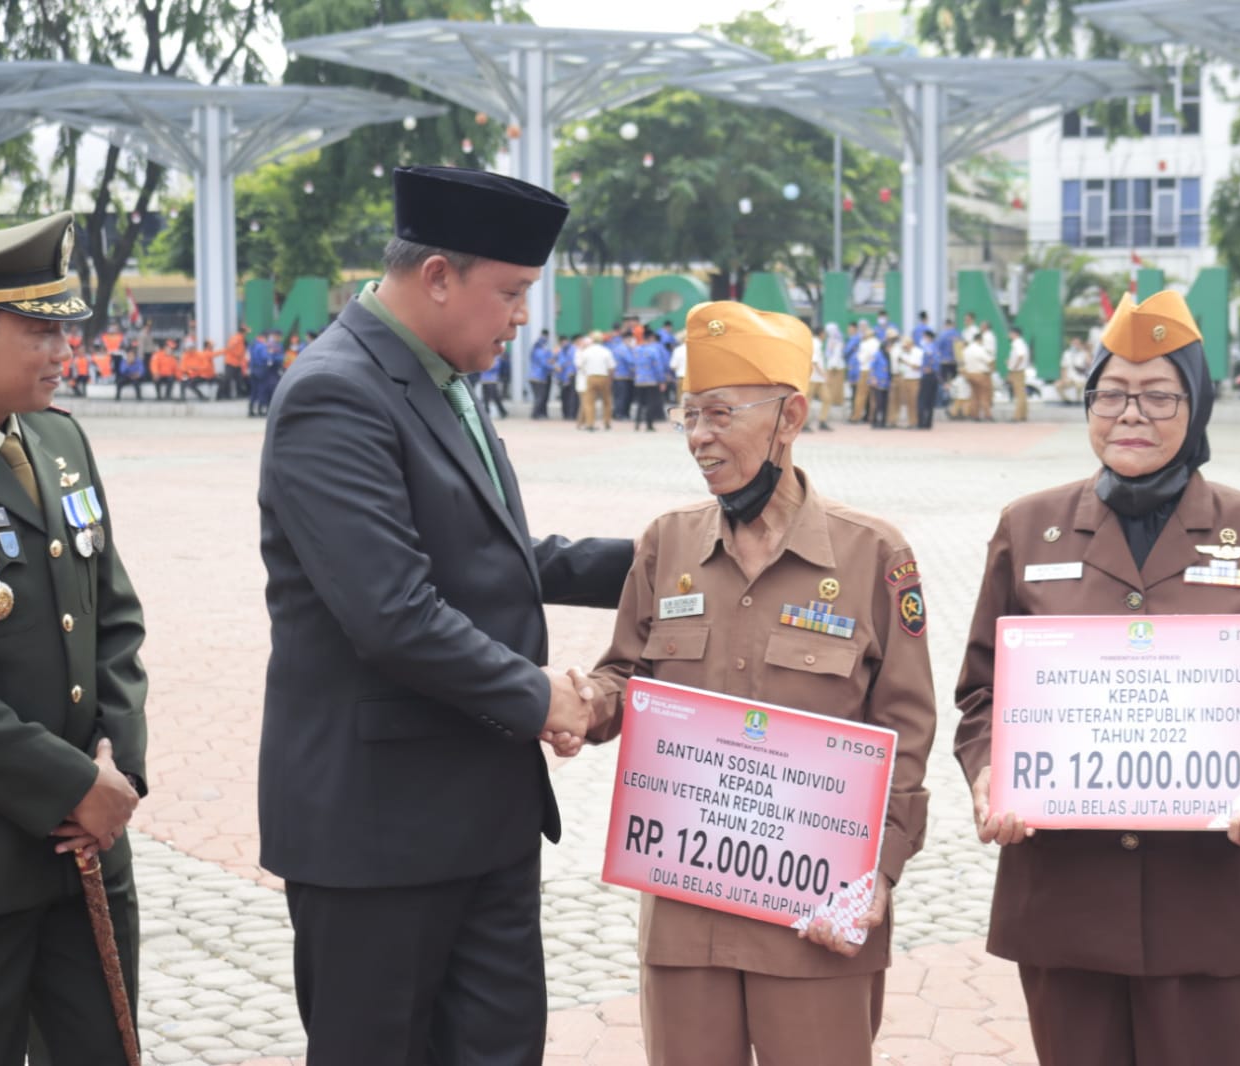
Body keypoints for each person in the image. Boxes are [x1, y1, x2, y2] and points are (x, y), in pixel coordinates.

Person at [257, 165, 633, 1065]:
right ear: (435, 276)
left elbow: (496, 555)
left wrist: (664, 558)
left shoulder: (440, 378)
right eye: (509, 294)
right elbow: (392, 611)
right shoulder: (334, 393)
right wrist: (544, 696)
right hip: (379, 835)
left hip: (484, 815)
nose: (519, 319)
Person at [956, 290, 1240, 1065]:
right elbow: (982, 691)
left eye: (1158, 395)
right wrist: (989, 771)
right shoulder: (1028, 527)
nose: (1130, 414)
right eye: (1110, 393)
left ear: (1198, 407)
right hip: (1065, 892)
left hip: (1204, 895)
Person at [583, 300, 935, 1066]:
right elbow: (626, 669)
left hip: (815, 908)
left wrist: (879, 870)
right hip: (685, 911)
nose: (700, 438)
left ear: (789, 415)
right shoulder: (666, 542)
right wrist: (585, 704)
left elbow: (905, 725)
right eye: (687, 417)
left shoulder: (872, 553)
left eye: (719, 414)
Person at [0, 211, 148, 1065]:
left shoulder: (61, 440)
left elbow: (114, 618)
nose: (64, 351)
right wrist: (70, 784)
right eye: (39, 332)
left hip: (89, 851)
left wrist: (118, 768)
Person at [960, 327, 995, 422]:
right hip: (980, 374)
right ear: (980, 340)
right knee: (984, 395)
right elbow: (989, 360)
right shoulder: (980, 349)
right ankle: (988, 415)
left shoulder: (967, 350)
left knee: (974, 395)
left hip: (970, 374)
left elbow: (963, 362)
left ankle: (975, 415)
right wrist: (992, 369)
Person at [816, 322, 845, 431]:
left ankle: (822, 421)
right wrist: (824, 373)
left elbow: (835, 355)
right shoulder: (817, 343)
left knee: (827, 399)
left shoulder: (836, 341)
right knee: (808, 399)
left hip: (824, 374)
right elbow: (815, 361)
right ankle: (804, 423)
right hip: (816, 377)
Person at [1056, 334, 1091, 404]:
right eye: (1074, 343)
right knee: (1057, 385)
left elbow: (1089, 363)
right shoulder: (1066, 354)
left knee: (1079, 385)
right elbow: (1063, 367)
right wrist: (1063, 379)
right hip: (1069, 378)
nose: (1075, 345)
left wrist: (1084, 351)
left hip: (1080, 378)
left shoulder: (1083, 353)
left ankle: (1078, 400)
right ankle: (1067, 400)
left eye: (1077, 343)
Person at [1007, 325, 1031, 422]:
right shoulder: (1020, 343)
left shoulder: (1017, 343)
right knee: (1022, 393)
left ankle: (1017, 416)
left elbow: (1020, 356)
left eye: (1010, 333)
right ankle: (1023, 415)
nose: (1009, 335)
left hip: (1017, 371)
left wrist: (1014, 367)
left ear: (1015, 334)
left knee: (1019, 394)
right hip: (1019, 370)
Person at [528, 328, 553, 419]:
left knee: (539, 396)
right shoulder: (541, 351)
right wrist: (554, 367)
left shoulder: (535, 350)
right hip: (539, 377)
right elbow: (544, 364)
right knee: (540, 397)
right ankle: (535, 414)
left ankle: (539, 413)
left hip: (535, 376)